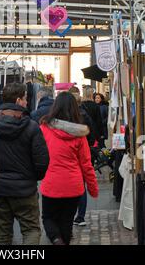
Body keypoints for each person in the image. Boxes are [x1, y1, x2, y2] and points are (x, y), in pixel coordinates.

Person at [0, 82, 49, 245]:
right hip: (24, 190)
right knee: (31, 229)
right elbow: (42, 161)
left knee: (2, 233)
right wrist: (32, 178)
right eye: (24, 99)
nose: (27, 102)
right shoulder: (31, 126)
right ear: (17, 101)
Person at [40, 91, 98, 245]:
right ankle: (62, 240)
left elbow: (38, 155)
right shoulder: (80, 134)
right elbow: (86, 164)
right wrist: (92, 188)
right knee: (67, 221)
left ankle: (56, 239)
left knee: (48, 217)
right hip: (73, 186)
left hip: (51, 183)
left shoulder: (44, 129)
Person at [69, 86, 96, 227]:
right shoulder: (84, 114)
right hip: (83, 153)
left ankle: (70, 214)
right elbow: (92, 133)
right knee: (82, 185)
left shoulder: (64, 117)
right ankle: (81, 216)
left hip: (68, 155)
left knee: (69, 183)